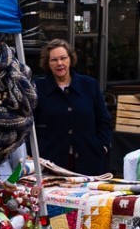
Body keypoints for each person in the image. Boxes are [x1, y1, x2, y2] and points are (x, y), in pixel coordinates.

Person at [34, 39, 113, 175]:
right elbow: (29, 125)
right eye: (54, 60)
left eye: (63, 58)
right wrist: (33, 153)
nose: (59, 63)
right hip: (51, 163)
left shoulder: (89, 85)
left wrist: (103, 145)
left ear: (70, 59)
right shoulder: (37, 88)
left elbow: (104, 120)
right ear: (47, 63)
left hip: (90, 160)